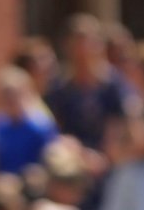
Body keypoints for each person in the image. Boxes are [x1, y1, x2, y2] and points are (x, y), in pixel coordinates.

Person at [45, 13, 130, 151]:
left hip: (110, 155)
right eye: (79, 42)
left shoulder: (113, 85)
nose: (84, 49)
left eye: (90, 41)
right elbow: (54, 130)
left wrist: (105, 154)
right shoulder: (59, 88)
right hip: (72, 155)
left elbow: (120, 126)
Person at [0, 66, 57, 176]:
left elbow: (51, 161)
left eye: (14, 94)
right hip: (2, 182)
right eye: (5, 95)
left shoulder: (41, 126)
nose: (10, 100)